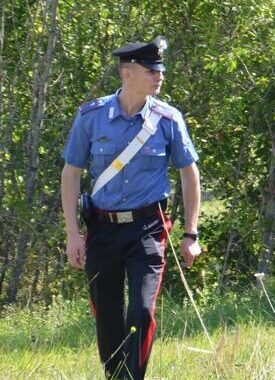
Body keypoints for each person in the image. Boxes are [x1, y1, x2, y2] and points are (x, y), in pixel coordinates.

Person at [60, 36, 201, 379]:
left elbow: (189, 173)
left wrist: (190, 233)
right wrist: (73, 234)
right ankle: (116, 375)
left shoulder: (168, 119)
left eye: (160, 69)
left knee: (140, 311)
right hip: (102, 228)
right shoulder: (91, 116)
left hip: (147, 229)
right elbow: (71, 172)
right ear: (127, 73)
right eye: (151, 70)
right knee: (107, 316)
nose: (159, 75)